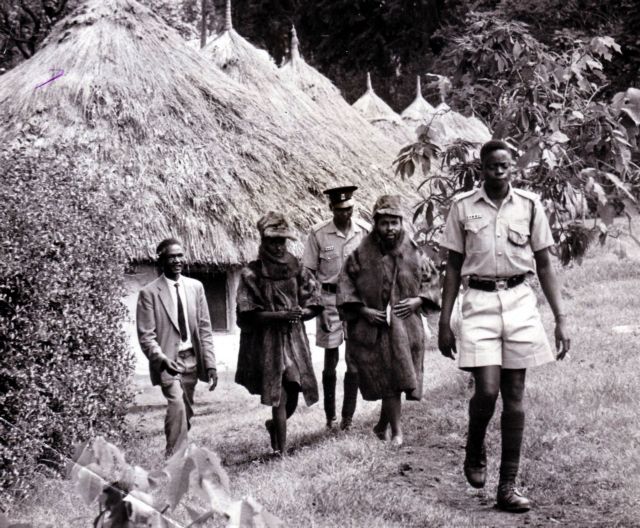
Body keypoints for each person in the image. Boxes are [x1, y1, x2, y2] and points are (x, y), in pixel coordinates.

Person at [438, 140, 571, 513]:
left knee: (514, 395)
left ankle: (507, 486)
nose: (499, 171)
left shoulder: (529, 205)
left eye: (505, 165)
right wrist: (445, 321)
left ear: (513, 167)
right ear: (481, 169)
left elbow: (544, 263)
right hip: (478, 302)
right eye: (492, 166)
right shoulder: (462, 206)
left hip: (519, 302)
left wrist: (560, 319)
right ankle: (474, 445)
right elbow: (452, 267)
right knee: (487, 390)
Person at [337, 195, 440, 446]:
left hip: (406, 326)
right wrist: (364, 311)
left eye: (394, 222)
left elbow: (432, 281)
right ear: (376, 224)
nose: (390, 228)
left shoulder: (414, 252)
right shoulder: (360, 255)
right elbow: (345, 286)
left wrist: (418, 301)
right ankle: (396, 432)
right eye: (384, 223)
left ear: (401, 223)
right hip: (376, 328)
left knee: (399, 377)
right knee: (389, 378)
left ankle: (382, 425)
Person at [235, 212, 323, 455]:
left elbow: (314, 300)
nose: (278, 247)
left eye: (282, 241)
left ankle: (274, 425)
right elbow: (248, 313)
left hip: (294, 340)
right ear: (263, 241)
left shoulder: (297, 269)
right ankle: (281, 450)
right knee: (279, 393)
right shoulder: (252, 273)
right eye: (273, 241)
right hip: (268, 342)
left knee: (294, 388)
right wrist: (280, 315)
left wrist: (302, 313)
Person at [136, 238, 217, 457]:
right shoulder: (149, 293)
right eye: (171, 257)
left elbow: (204, 329)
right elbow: (146, 336)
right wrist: (161, 359)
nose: (177, 260)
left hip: (192, 358)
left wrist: (210, 364)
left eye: (180, 255)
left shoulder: (196, 287)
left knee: (186, 411)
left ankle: (177, 448)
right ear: (161, 260)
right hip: (167, 361)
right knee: (177, 405)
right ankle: (173, 457)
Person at [302, 186, 370, 430]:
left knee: (353, 360)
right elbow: (308, 272)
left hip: (355, 302)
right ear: (331, 208)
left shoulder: (364, 231)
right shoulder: (318, 233)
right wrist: (315, 302)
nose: (345, 213)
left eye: (349, 208)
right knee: (330, 359)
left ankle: (347, 418)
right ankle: (330, 416)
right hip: (328, 301)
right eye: (340, 209)